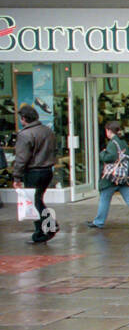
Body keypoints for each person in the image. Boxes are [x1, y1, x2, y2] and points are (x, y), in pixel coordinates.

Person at [86, 120, 129, 230]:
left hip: (112, 177)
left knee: (104, 198)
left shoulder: (112, 143)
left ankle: (99, 222)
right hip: (123, 176)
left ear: (109, 131)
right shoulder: (122, 142)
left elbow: (109, 158)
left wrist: (102, 153)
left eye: (106, 130)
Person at [11, 104, 58, 244]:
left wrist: (16, 177)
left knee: (34, 201)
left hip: (33, 171)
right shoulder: (47, 131)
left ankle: (48, 228)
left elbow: (21, 158)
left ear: (24, 118)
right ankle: (42, 230)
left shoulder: (25, 134)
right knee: (37, 200)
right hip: (47, 170)